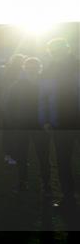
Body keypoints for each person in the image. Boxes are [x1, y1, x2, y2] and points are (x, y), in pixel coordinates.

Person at [40, 38, 79, 208]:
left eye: (60, 50)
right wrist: (45, 120)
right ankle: (68, 197)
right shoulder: (49, 70)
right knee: (63, 162)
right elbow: (43, 98)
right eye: (54, 51)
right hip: (59, 123)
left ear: (67, 49)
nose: (58, 53)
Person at [5, 57, 51, 194]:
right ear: (25, 69)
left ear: (39, 68)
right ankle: (24, 183)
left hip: (39, 126)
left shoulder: (43, 84)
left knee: (42, 157)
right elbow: (9, 106)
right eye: (29, 67)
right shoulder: (18, 85)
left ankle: (45, 184)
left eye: (34, 67)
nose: (32, 70)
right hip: (24, 126)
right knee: (23, 156)